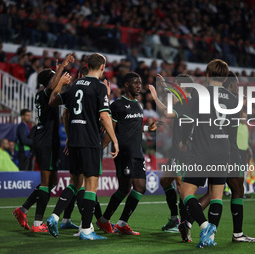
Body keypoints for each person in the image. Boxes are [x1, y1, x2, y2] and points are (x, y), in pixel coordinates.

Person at [46, 53, 119, 240]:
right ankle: (86, 229)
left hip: (75, 140)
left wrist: (60, 84)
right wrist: (114, 139)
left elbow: (53, 101)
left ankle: (54, 216)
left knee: (75, 183)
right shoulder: (99, 87)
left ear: (87, 65)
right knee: (91, 185)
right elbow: (104, 116)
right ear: (103, 67)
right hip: (90, 140)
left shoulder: (76, 85)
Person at [183, 71, 255, 243]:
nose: (237, 87)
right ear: (227, 81)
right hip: (228, 151)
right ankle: (234, 233)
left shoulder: (207, 96)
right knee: (231, 191)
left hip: (212, 149)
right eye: (235, 84)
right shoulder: (231, 99)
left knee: (214, 192)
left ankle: (192, 223)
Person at [13, 54, 79, 233]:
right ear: (48, 81)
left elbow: (53, 86)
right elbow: (52, 86)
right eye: (54, 76)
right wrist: (63, 65)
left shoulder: (43, 93)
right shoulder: (45, 93)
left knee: (52, 183)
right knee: (46, 183)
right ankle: (37, 224)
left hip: (49, 140)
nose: (59, 76)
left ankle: (23, 209)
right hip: (46, 142)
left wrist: (57, 73)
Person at [179, 59, 233, 248]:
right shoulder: (232, 98)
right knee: (216, 195)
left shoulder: (200, 94)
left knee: (186, 192)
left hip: (202, 150)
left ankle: (204, 227)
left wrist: (184, 140)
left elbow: (187, 120)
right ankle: (210, 237)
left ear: (208, 74)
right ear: (225, 78)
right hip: (223, 150)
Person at [97, 72, 157, 235]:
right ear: (127, 85)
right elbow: (111, 130)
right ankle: (104, 220)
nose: (139, 85)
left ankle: (122, 223)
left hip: (138, 153)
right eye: (135, 83)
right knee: (124, 188)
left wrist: (147, 128)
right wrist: (99, 150)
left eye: (140, 83)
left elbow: (135, 129)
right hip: (124, 153)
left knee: (141, 187)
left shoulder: (138, 105)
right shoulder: (117, 105)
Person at [148, 74, 194, 239]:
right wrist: (163, 86)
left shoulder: (186, 103)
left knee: (181, 187)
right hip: (180, 150)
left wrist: (155, 97)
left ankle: (184, 226)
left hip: (183, 151)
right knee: (166, 181)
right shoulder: (187, 101)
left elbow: (168, 113)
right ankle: (175, 220)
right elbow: (174, 101)